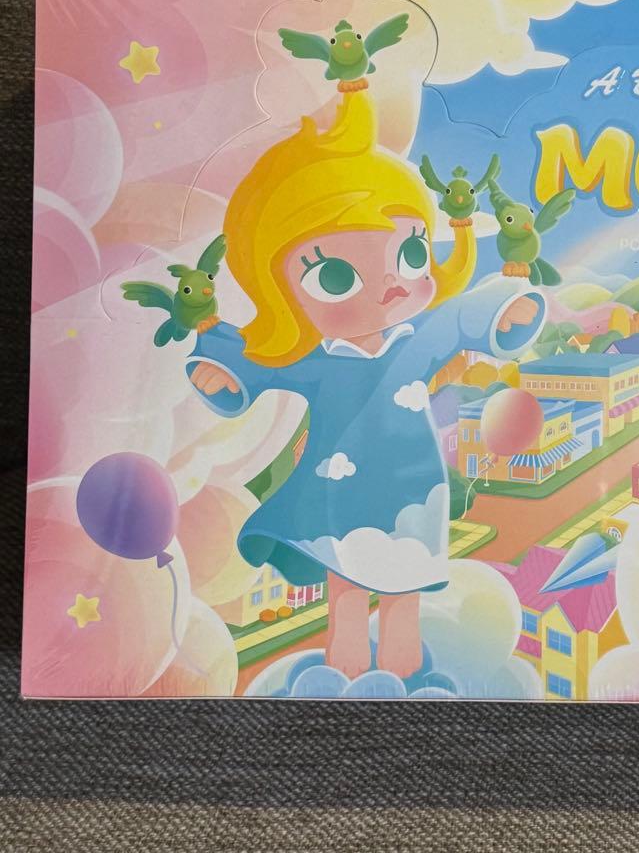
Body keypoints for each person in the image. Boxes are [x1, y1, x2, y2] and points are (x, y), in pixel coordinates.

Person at [187, 90, 544, 678]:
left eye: (410, 252)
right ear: (282, 295)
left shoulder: (420, 338)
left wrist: (505, 314)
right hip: (340, 498)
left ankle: (404, 681)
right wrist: (220, 369)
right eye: (335, 275)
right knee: (348, 600)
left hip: (413, 493)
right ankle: (344, 687)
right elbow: (255, 362)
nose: (391, 285)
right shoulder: (317, 360)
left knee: (404, 602)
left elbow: (468, 317)